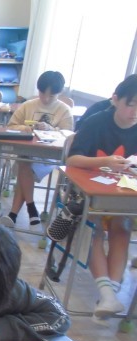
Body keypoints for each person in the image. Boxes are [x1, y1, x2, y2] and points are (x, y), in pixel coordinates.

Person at [65, 74, 137, 325]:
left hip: (123, 195)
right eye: (131, 104)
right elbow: (72, 159)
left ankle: (109, 296)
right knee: (92, 228)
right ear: (115, 100)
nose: (134, 112)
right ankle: (107, 295)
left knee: (122, 227)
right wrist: (105, 162)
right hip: (89, 194)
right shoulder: (97, 122)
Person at [2, 71, 73, 227]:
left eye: (51, 96)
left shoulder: (65, 110)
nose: (45, 99)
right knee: (24, 160)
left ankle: (17, 212)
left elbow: (68, 137)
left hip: (49, 156)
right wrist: (25, 128)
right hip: (26, 151)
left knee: (23, 164)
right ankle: (28, 208)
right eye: (42, 93)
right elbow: (11, 126)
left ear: (59, 93)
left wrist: (51, 129)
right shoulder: (28, 105)